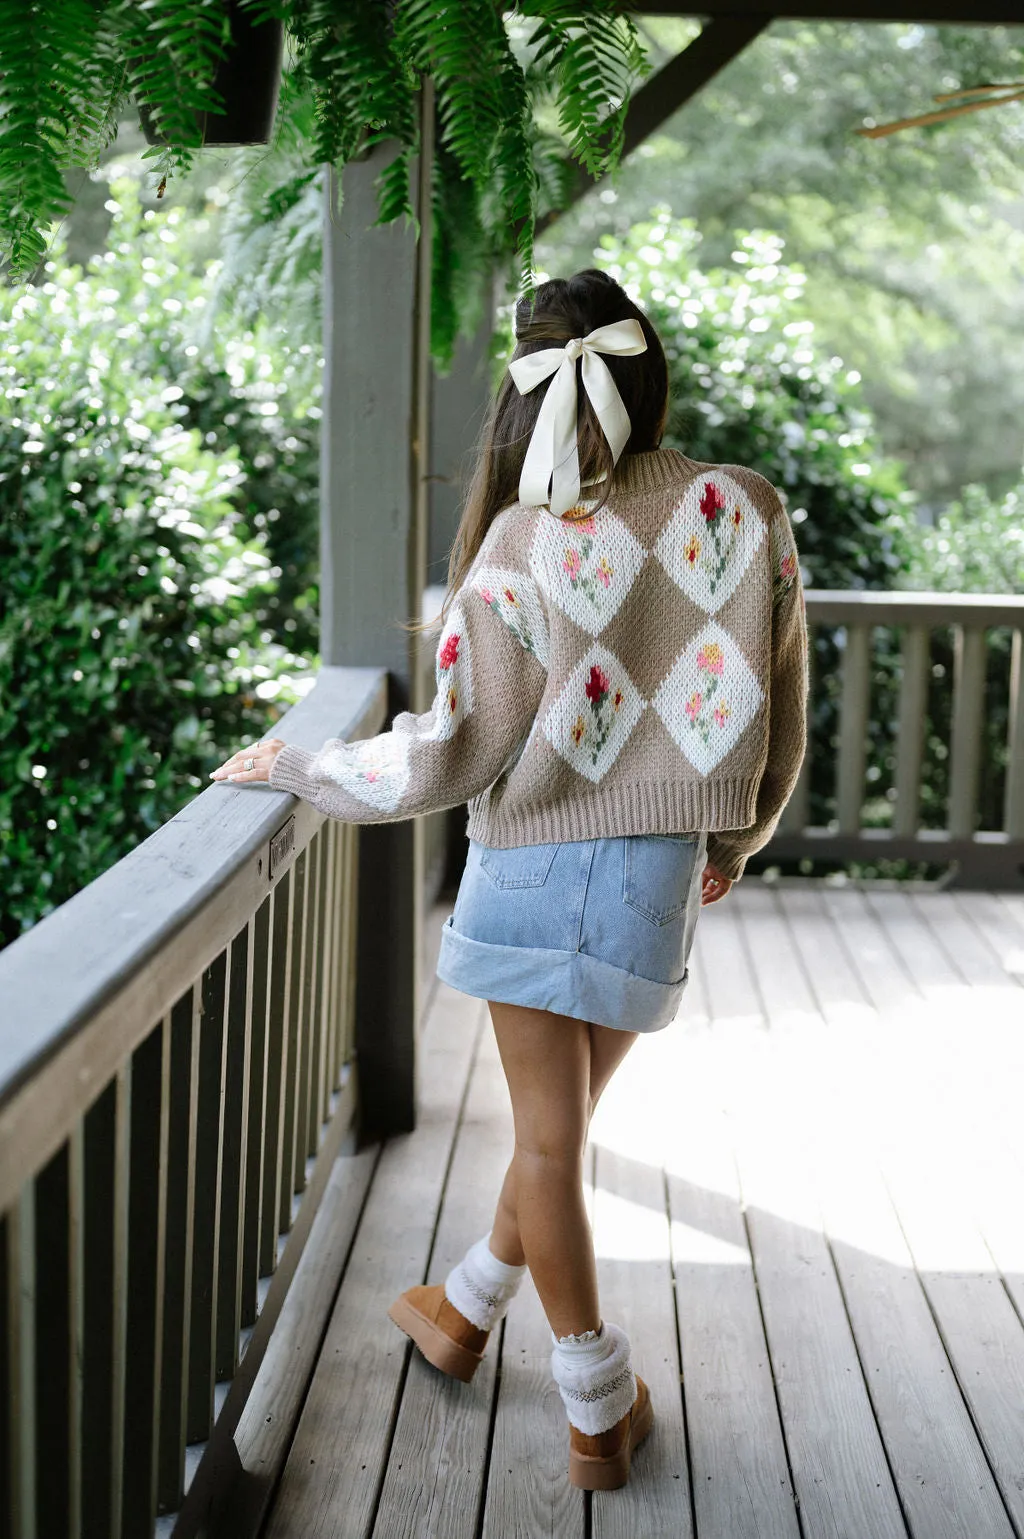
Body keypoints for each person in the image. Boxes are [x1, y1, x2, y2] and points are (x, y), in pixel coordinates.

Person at [211, 268, 808, 1492]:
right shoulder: (740, 510)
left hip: (528, 865)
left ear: (520, 396)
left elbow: (461, 745)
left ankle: (594, 1400)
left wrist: (308, 766)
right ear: (649, 380)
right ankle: (467, 1307)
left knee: (546, 1141)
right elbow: (783, 701)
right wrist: (733, 839)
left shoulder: (518, 541)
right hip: (654, 875)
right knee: (558, 1135)